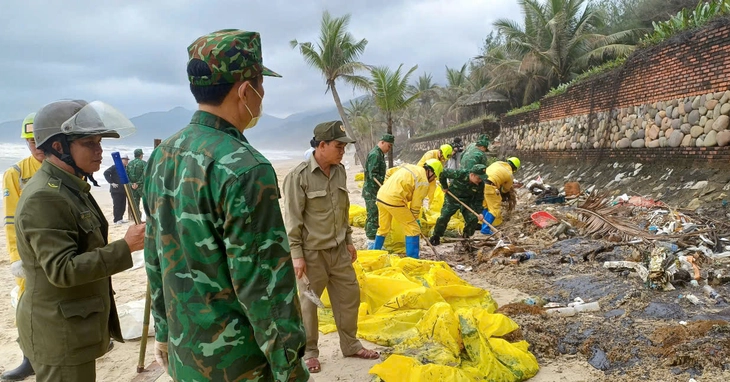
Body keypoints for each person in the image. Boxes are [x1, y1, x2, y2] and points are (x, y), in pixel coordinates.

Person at [142, 29, 309, 382]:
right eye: (261, 87)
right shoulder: (244, 167)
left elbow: (154, 254)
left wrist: (162, 330)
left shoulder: (162, 155)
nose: (262, 97)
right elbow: (265, 285)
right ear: (246, 90)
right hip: (239, 363)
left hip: (186, 354)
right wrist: (291, 369)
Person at [13, 99, 145, 381]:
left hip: (74, 329)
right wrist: (126, 247)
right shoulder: (46, 196)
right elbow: (62, 270)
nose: (99, 150)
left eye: (99, 142)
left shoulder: (71, 186)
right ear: (59, 146)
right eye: (89, 143)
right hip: (59, 332)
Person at [283, 121, 380, 375]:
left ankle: (350, 344)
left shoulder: (339, 172)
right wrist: (297, 255)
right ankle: (310, 352)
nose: (342, 152)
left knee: (350, 296)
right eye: (338, 146)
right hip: (312, 254)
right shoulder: (298, 177)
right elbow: (293, 219)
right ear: (322, 145)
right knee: (308, 304)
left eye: (344, 147)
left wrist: (348, 240)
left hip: (338, 251)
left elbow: (344, 209)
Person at [1, 113, 44, 381]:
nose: (36, 146)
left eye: (40, 139)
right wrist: (17, 257)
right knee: (26, 305)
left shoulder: (68, 168)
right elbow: (10, 221)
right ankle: (29, 358)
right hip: (30, 252)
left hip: (61, 247)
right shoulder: (15, 174)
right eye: (30, 141)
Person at [372, 158, 442, 259]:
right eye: (434, 176)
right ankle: (413, 259)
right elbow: (415, 206)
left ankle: (375, 254)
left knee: (383, 228)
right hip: (394, 200)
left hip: (381, 196)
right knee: (412, 229)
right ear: (431, 171)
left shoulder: (410, 166)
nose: (433, 179)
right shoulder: (423, 181)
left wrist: (387, 187)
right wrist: (415, 220)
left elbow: (389, 172)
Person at [429, 164, 487, 246]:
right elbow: (443, 173)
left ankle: (466, 237)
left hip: (467, 201)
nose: (480, 180)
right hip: (452, 198)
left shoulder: (481, 185)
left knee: (473, 219)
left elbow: (479, 199)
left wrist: (479, 212)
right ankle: (436, 236)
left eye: (482, 178)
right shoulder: (461, 173)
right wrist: (444, 186)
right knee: (444, 217)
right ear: (472, 175)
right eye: (478, 178)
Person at [362, 134, 394, 249]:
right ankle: (371, 241)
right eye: (389, 146)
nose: (389, 149)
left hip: (377, 191)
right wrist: (383, 187)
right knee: (373, 214)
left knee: (376, 214)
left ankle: (373, 239)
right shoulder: (375, 154)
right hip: (371, 191)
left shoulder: (379, 154)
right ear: (382, 142)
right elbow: (373, 175)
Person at [482, 157, 520, 231]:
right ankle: (485, 229)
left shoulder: (497, 163)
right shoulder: (510, 174)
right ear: (514, 169)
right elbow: (505, 189)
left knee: (485, 205)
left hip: (480, 183)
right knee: (494, 209)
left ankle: (481, 224)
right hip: (490, 186)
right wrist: (501, 193)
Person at [103, 154, 129, 224]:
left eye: (127, 160)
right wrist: (111, 182)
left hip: (124, 190)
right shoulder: (115, 167)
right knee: (117, 205)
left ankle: (120, 218)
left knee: (123, 205)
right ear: (121, 160)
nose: (126, 161)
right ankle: (116, 220)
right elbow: (106, 173)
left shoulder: (126, 168)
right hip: (116, 190)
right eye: (125, 160)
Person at [126, 148, 146, 218]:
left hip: (132, 186)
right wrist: (138, 183)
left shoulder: (129, 164)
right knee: (146, 203)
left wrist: (131, 184)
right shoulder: (143, 163)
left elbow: (126, 175)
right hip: (141, 186)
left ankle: (136, 217)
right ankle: (144, 217)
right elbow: (145, 174)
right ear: (141, 155)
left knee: (135, 204)